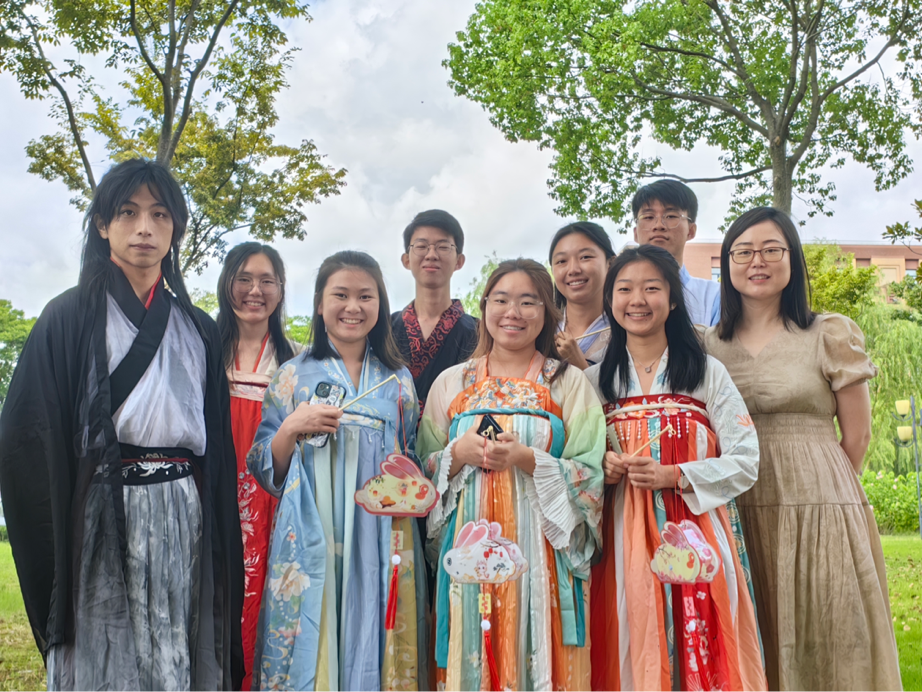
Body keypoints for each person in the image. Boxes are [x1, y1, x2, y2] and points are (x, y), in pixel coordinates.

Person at [0, 159, 243, 691]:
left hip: (183, 510)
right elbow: (26, 435)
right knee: (102, 657)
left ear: (176, 228)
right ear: (102, 225)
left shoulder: (198, 328)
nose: (144, 228)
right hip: (101, 515)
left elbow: (217, 449)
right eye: (128, 213)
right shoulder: (67, 316)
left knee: (175, 651)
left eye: (160, 214)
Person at [703, 207, 902, 691]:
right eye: (743, 252)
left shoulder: (828, 332)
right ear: (727, 264)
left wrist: (828, 500)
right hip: (735, 504)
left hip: (818, 505)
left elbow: (857, 437)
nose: (757, 261)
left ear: (792, 258)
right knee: (751, 635)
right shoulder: (706, 345)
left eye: (772, 249)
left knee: (828, 631)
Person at [418, 258, 605, 690]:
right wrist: (457, 454)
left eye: (528, 301)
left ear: (547, 311)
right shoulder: (451, 382)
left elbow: (590, 472)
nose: (513, 313)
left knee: (536, 648)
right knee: (472, 651)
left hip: (542, 549)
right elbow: (422, 469)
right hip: (467, 544)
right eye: (501, 300)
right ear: (484, 306)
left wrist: (528, 459)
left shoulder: (568, 382)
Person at [585, 245, 766, 691]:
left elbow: (746, 459)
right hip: (619, 539)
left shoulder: (707, 373)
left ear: (673, 299)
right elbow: (573, 463)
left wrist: (676, 475)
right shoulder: (593, 382)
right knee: (627, 640)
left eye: (652, 288)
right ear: (610, 301)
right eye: (624, 289)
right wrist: (601, 465)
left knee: (699, 640)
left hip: (695, 537)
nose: (637, 300)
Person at [247, 250, 427, 690]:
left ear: (380, 305)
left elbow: (411, 457)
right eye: (340, 295)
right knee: (315, 615)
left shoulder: (399, 379)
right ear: (319, 303)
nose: (353, 307)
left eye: (366, 296)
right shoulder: (292, 375)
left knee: (376, 616)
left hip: (380, 525)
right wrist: (292, 427)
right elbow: (265, 466)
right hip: (314, 522)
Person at [216, 242, 301, 692]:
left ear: (281, 290)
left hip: (274, 501)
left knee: (268, 598)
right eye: (244, 279)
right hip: (211, 492)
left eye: (267, 280)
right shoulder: (202, 349)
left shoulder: (298, 360)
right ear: (226, 283)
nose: (255, 290)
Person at [391, 210, 478, 411]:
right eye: (421, 246)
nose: (431, 255)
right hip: (392, 431)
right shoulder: (384, 328)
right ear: (406, 260)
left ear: (459, 261)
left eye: (443, 247)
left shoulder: (480, 332)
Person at [632, 180, 720, 326]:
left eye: (671, 216)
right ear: (635, 233)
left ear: (691, 231)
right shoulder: (618, 297)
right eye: (648, 217)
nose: (658, 225)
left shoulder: (714, 296)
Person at [549, 221, 616, 369]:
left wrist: (580, 364)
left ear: (611, 263)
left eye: (585, 257)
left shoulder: (627, 331)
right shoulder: (542, 329)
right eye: (561, 261)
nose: (573, 269)